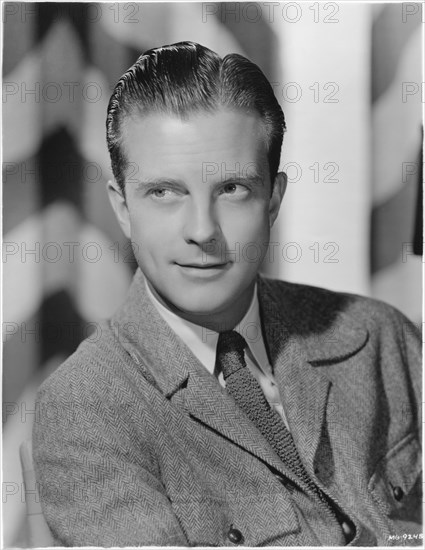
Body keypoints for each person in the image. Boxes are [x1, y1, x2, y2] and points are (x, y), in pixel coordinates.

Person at [33, 42, 422, 547]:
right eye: (164, 192)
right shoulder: (87, 409)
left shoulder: (376, 337)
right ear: (123, 207)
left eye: (232, 189)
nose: (201, 230)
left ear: (274, 199)